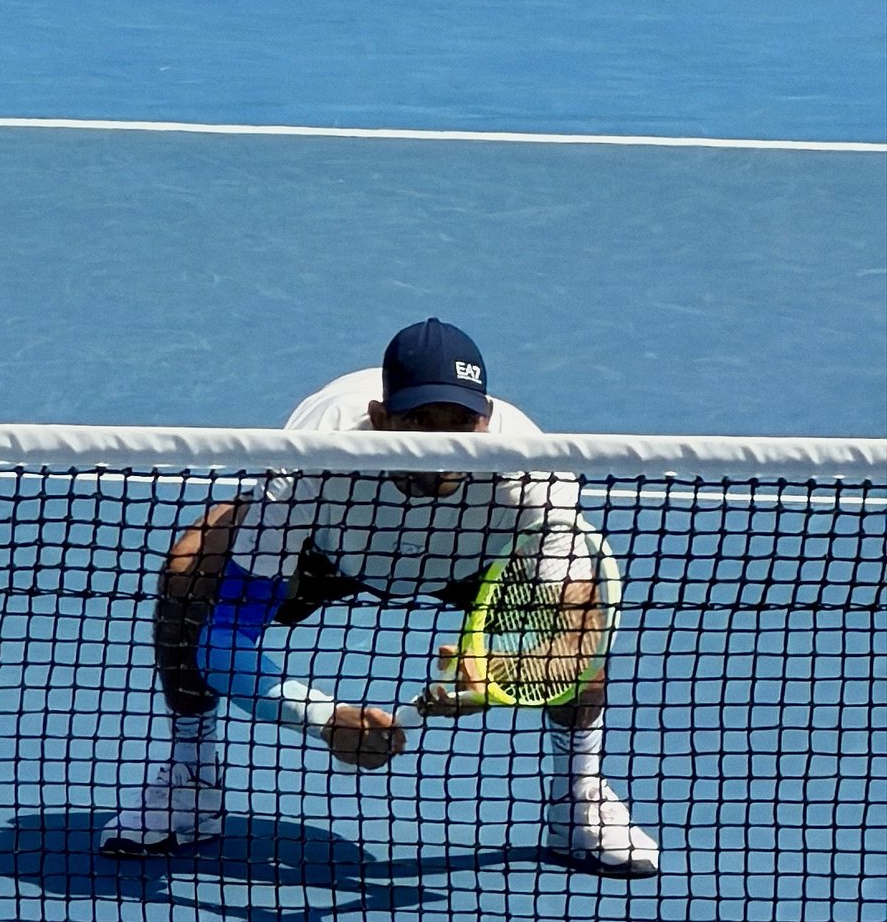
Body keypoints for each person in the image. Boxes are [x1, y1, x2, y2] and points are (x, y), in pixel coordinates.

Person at [100, 320, 660, 876]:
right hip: (330, 552)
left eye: (459, 423)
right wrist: (323, 719)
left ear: (483, 421)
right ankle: (192, 780)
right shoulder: (313, 457)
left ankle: (576, 797)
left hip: (476, 559)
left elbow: (573, 639)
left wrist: (500, 680)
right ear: (379, 418)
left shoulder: (532, 475)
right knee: (190, 569)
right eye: (419, 422)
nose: (440, 446)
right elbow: (223, 641)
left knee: (584, 610)